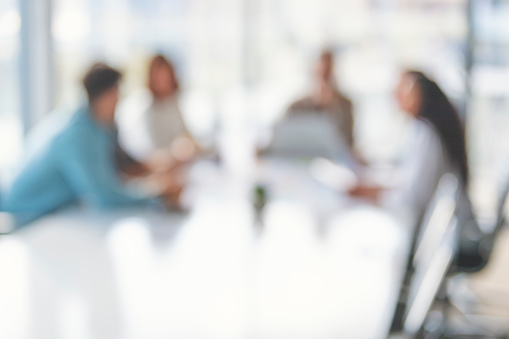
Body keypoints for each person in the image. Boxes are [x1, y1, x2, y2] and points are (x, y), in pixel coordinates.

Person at [1, 63, 181, 227]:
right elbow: (105, 196)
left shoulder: (96, 129)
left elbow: (117, 168)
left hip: (50, 215)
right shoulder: (78, 136)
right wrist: (157, 194)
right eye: (118, 93)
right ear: (107, 96)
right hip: (27, 217)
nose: (119, 101)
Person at [350, 70, 481, 267]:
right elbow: (410, 181)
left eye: (404, 90)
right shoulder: (423, 130)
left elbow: (412, 200)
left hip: (451, 241)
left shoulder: (427, 134)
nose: (397, 96)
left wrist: (373, 194)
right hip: (442, 235)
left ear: (421, 95)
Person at [118, 54, 197, 163]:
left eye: (165, 77)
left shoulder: (174, 103)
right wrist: (177, 151)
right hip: (161, 163)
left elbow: (185, 134)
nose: (163, 82)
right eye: (159, 78)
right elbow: (154, 149)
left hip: (181, 161)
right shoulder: (148, 109)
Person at [286, 49, 355, 152]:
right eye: (320, 73)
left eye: (327, 74)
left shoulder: (345, 106)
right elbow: (284, 139)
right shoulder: (296, 108)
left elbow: (349, 145)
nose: (323, 80)